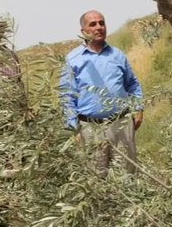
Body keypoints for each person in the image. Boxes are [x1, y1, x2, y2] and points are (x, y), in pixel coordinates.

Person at [60, 10, 143, 177]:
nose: (99, 27)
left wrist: (138, 107)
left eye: (101, 23)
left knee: (128, 175)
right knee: (96, 177)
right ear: (83, 31)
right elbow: (67, 96)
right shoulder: (73, 59)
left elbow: (132, 84)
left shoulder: (117, 55)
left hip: (121, 123)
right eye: (93, 24)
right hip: (90, 128)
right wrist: (73, 129)